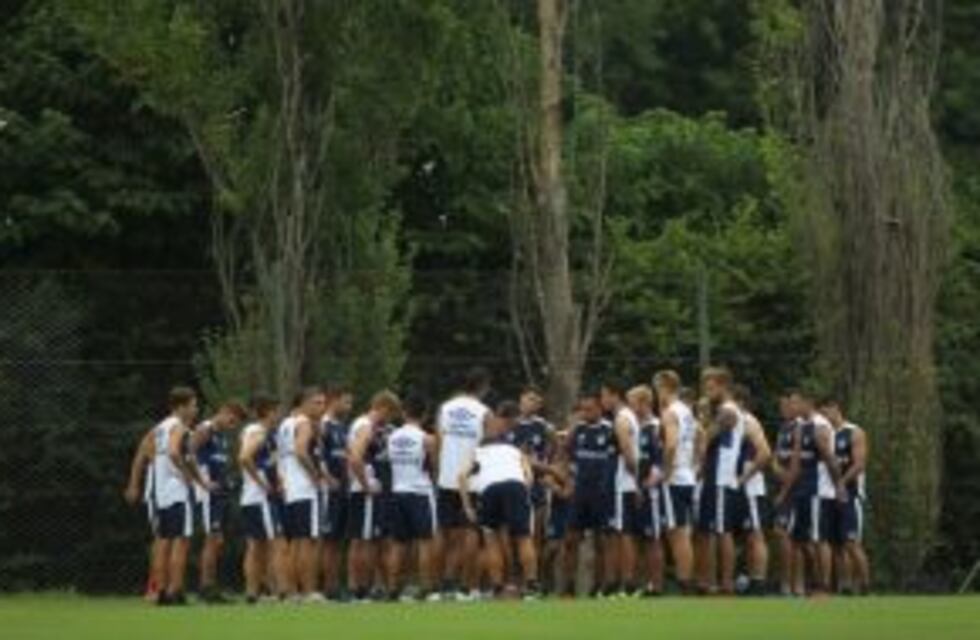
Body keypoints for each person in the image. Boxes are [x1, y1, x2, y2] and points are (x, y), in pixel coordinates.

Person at [458, 401, 540, 599]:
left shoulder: (477, 452)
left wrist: (467, 506)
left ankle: (497, 586)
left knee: (491, 539)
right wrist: (521, 494)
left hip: (490, 489)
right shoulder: (514, 451)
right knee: (523, 537)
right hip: (515, 485)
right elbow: (529, 478)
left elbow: (461, 476)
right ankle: (531, 585)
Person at [435, 367, 492, 600]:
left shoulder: (444, 408)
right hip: (472, 481)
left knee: (444, 534)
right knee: (470, 534)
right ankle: (467, 586)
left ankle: (441, 584)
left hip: (446, 478)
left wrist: (438, 470)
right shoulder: (485, 412)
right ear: (483, 386)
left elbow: (438, 443)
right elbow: (487, 449)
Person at [781, 390, 845, 596]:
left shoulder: (820, 426)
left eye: (795, 402)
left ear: (808, 402)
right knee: (798, 539)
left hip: (819, 490)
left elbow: (830, 459)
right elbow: (796, 463)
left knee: (819, 539)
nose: (792, 406)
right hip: (802, 491)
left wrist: (839, 486)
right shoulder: (801, 426)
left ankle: (824, 586)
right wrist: (785, 491)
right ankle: (802, 586)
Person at [151, 386, 206, 605]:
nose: (196, 409)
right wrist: (186, 475)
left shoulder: (161, 426)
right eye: (193, 405)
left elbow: (157, 454)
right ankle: (176, 591)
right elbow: (174, 452)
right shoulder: (178, 426)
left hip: (161, 492)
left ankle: (161, 592)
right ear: (181, 407)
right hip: (177, 492)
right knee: (180, 542)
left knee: (163, 543)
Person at [347, 390, 402, 601]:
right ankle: (363, 588)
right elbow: (354, 458)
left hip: (367, 490)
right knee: (366, 541)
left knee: (366, 540)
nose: (389, 420)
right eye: (389, 414)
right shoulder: (365, 426)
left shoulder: (365, 425)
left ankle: (363, 587)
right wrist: (366, 484)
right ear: (382, 408)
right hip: (367, 492)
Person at [190, 400, 247, 603]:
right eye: (233, 418)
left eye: (238, 422)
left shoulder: (222, 436)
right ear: (223, 411)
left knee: (217, 541)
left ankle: (211, 586)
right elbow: (189, 454)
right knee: (212, 539)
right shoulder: (205, 429)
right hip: (207, 494)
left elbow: (219, 463)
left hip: (220, 494)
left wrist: (227, 481)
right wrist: (202, 481)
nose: (235, 424)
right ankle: (206, 589)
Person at [384, 394, 439, 601]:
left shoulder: (392, 437)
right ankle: (425, 587)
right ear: (424, 415)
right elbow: (434, 467)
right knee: (425, 542)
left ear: (404, 413)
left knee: (398, 544)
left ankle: (392, 588)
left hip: (398, 491)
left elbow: (391, 463)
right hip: (420, 492)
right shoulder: (427, 438)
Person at [561, 391, 616, 598]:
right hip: (579, 493)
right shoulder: (578, 430)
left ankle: (599, 587)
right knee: (570, 540)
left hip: (602, 494)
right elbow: (564, 452)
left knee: (602, 541)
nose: (585, 413)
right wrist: (568, 479)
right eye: (582, 409)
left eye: (589, 409)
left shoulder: (611, 429)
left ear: (600, 408)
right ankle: (568, 586)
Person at [696, 367, 745, 595]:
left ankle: (727, 583)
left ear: (724, 386)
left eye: (711, 387)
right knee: (709, 530)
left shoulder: (728, 410)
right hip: (713, 476)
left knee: (723, 531)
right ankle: (709, 582)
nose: (707, 392)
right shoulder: (722, 410)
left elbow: (707, 437)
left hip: (723, 477)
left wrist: (705, 417)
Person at [277, 386, 328, 602]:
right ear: (304, 403)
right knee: (307, 542)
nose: (321, 407)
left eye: (323, 403)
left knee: (295, 543)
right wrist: (315, 476)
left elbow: (282, 456)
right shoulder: (304, 422)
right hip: (305, 490)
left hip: (290, 490)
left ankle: (291, 592)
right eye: (317, 403)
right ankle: (308, 591)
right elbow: (300, 451)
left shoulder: (285, 424)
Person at [653, 370, 699, 593]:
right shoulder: (687, 411)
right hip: (687, 476)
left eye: (657, 388)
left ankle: (684, 581)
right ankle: (687, 579)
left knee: (676, 533)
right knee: (683, 531)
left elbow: (670, 445)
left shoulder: (670, 412)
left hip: (676, 478)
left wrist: (666, 471)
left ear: (663, 387)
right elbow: (699, 438)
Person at [819, 397, 870, 595]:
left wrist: (842, 482)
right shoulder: (826, 435)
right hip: (830, 494)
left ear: (835, 408)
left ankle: (865, 585)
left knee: (852, 542)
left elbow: (859, 464)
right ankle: (845, 586)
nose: (824, 417)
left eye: (825, 412)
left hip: (850, 494)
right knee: (836, 545)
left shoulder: (854, 432)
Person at [505, 387, 555, 575]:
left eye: (535, 400)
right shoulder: (510, 424)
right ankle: (512, 578)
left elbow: (555, 449)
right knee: (511, 534)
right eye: (528, 399)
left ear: (540, 405)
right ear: (520, 400)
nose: (531, 403)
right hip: (512, 484)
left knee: (535, 534)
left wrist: (546, 468)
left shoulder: (544, 426)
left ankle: (534, 579)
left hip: (535, 486)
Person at [239, 395, 283, 604]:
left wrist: (279, 482)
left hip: (251, 498)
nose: (278, 415)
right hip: (260, 497)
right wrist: (262, 483)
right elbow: (244, 457)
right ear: (268, 411)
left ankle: (253, 592)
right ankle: (275, 591)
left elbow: (267, 462)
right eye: (275, 411)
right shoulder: (259, 432)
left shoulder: (258, 432)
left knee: (256, 545)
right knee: (274, 543)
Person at [600, 380, 641, 597]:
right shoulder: (630, 416)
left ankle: (627, 583)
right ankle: (621, 582)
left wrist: (635, 479)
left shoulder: (622, 418)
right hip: (625, 483)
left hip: (620, 484)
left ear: (614, 395)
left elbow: (627, 451)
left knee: (622, 534)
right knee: (621, 533)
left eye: (604, 395)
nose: (602, 401)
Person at [733, 385, 772, 596]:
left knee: (756, 534)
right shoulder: (734, 423)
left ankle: (759, 582)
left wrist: (744, 478)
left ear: (739, 401)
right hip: (737, 488)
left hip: (750, 489)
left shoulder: (748, 421)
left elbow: (765, 453)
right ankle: (747, 579)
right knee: (745, 536)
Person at [318, 386, 354, 600]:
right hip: (328, 491)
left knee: (338, 540)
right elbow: (318, 454)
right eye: (346, 402)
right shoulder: (323, 425)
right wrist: (325, 476)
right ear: (334, 400)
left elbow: (346, 457)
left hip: (342, 490)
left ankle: (334, 585)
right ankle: (327, 587)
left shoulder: (341, 427)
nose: (349, 407)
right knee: (328, 540)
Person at [631, 385, 665, 597]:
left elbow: (660, 462)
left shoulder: (656, 427)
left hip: (650, 491)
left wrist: (648, 485)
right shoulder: (634, 427)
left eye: (633, 402)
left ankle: (656, 585)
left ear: (645, 403)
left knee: (653, 538)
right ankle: (643, 585)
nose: (630, 406)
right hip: (633, 489)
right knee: (638, 538)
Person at [124, 425, 162, 602]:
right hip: (158, 494)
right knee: (161, 538)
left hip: (179, 493)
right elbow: (140, 456)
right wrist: (134, 484)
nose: (195, 410)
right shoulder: (159, 430)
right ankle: (153, 588)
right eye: (192, 405)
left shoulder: (187, 431)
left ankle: (168, 587)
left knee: (172, 540)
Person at [771, 392, 800, 596]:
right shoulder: (783, 428)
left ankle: (793, 585)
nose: (782, 409)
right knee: (784, 535)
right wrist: (774, 467)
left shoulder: (801, 428)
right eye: (780, 405)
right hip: (782, 487)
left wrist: (784, 490)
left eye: (786, 404)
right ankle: (788, 585)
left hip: (795, 491)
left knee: (788, 535)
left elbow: (797, 466)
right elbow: (776, 456)